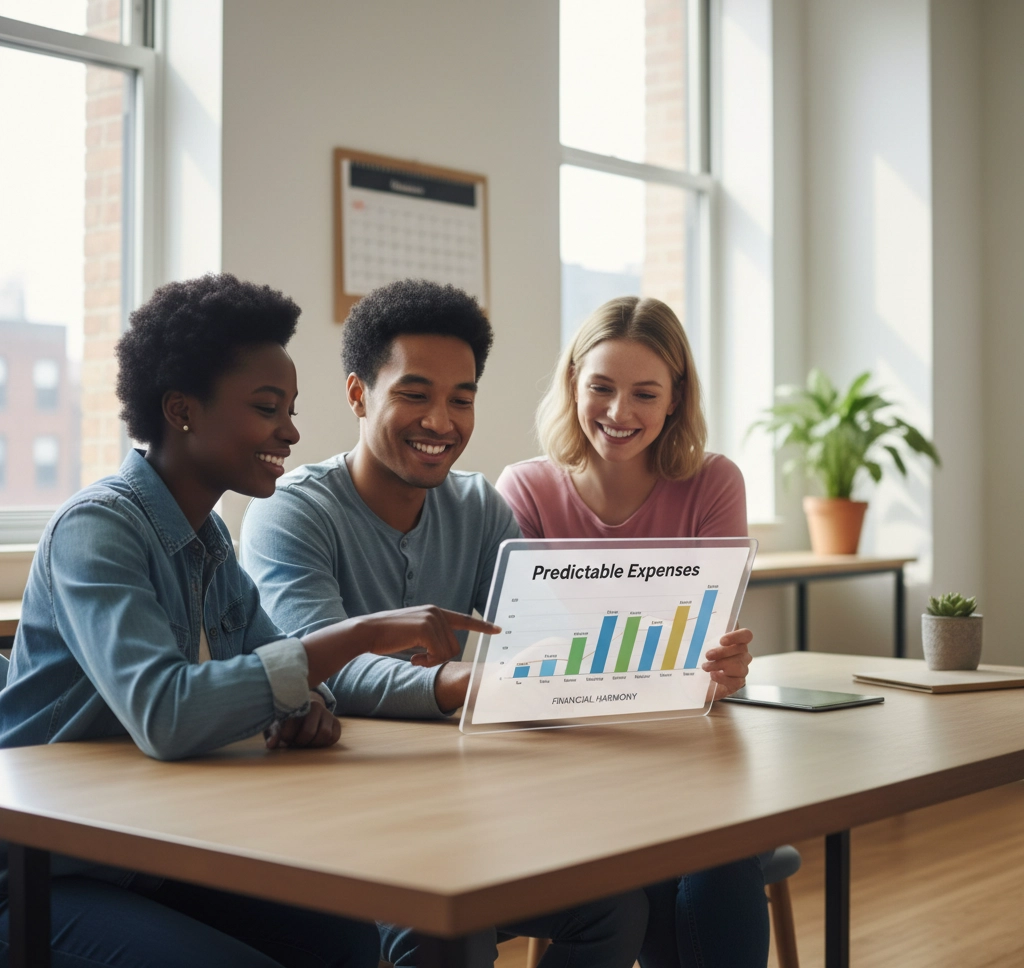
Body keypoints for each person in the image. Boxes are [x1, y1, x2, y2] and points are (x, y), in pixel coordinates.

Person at [0, 273, 495, 968]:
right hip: (46, 868)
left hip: (145, 849)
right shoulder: (98, 529)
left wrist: (306, 707)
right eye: (268, 408)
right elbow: (167, 713)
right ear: (182, 411)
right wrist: (358, 635)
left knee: (352, 941)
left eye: (290, 408)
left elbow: (296, 677)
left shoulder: (208, 541)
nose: (291, 431)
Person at [240, 279, 653, 968]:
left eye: (462, 399)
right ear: (357, 395)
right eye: (414, 394)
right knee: (444, 930)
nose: (442, 420)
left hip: (455, 804)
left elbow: (536, 637)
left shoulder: (480, 507)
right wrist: (463, 681)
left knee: (615, 908)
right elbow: (317, 665)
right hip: (334, 820)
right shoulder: (292, 512)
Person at [495, 295, 769, 968]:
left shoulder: (713, 482)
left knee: (718, 865)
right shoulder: (525, 489)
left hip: (688, 760)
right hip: (568, 763)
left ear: (675, 399)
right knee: (646, 876)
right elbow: (525, 654)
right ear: (573, 385)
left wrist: (721, 668)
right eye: (601, 388)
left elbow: (702, 653)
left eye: (645, 393)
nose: (619, 414)